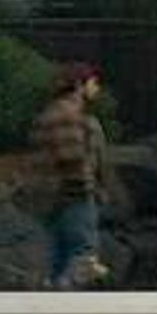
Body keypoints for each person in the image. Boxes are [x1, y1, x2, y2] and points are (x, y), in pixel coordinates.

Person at [31, 61, 109, 289]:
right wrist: (91, 190)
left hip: (50, 198)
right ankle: (71, 300)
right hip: (73, 197)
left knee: (59, 256)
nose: (97, 89)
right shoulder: (68, 116)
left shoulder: (50, 114)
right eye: (93, 83)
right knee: (83, 256)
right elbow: (72, 160)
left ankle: (56, 300)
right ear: (79, 85)